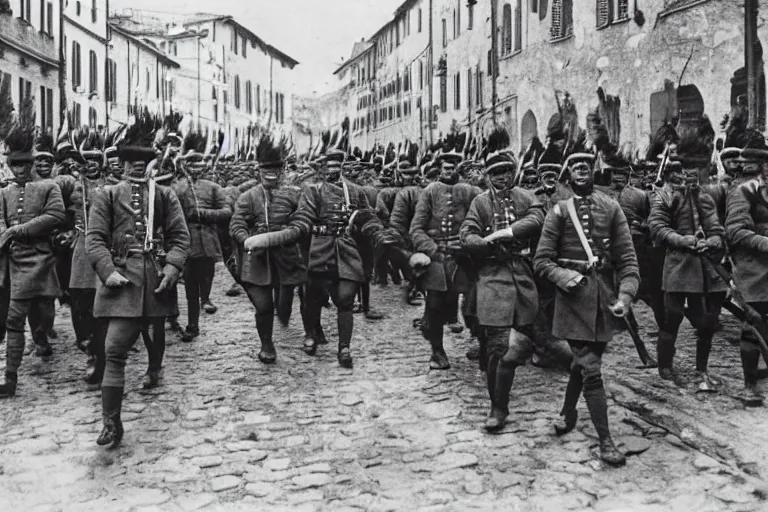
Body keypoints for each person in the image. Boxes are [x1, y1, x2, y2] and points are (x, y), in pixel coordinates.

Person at [86, 114, 190, 448]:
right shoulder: (105, 195)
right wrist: (107, 270)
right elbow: (94, 240)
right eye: (128, 162)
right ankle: (111, 423)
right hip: (121, 281)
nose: (134, 167)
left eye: (141, 162)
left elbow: (180, 238)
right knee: (114, 348)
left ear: (151, 164)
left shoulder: (164, 196)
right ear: (120, 164)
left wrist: (172, 268)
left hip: (155, 277)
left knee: (154, 332)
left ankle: (155, 369)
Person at [534, 152, 639, 467]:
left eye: (587, 166)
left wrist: (626, 297)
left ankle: (568, 411)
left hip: (604, 301)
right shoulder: (558, 212)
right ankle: (606, 441)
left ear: (594, 171)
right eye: (575, 167)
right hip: (570, 303)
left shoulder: (611, 207)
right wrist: (566, 277)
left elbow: (629, 261)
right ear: (568, 175)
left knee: (583, 364)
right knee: (592, 369)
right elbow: (541, 261)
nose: (582, 170)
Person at [244, 148, 385, 368]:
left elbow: (368, 217)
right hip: (318, 249)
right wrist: (285, 234)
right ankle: (310, 334)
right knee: (313, 298)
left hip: (346, 250)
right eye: (328, 167)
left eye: (336, 167)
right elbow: (303, 217)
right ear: (322, 168)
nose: (332, 171)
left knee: (346, 298)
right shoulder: (313, 191)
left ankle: (344, 348)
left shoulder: (356, 192)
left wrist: (377, 233)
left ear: (342, 167)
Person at [460, 129, 544, 431]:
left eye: (507, 172)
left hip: (522, 274)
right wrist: (483, 243)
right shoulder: (480, 203)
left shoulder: (526, 196)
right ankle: (498, 407)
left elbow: (537, 219)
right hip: (493, 276)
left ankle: (500, 386)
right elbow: (467, 233)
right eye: (496, 173)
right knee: (499, 345)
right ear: (488, 176)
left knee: (520, 341)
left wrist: (507, 232)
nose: (503, 178)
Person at [648, 120, 727, 392]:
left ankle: (701, 370)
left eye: (696, 170)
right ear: (677, 170)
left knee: (705, 323)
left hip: (703, 269)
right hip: (676, 266)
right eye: (686, 170)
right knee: (671, 318)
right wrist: (684, 240)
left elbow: (716, 228)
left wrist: (714, 242)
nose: (691, 175)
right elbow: (657, 227)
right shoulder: (666, 196)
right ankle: (665, 367)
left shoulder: (703, 197)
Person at [229, 134, 307, 364]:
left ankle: (294, 321)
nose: (271, 175)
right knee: (263, 305)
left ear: (282, 170)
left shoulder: (294, 193)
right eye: (266, 170)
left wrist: (282, 235)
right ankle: (266, 343)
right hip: (258, 259)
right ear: (259, 171)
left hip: (287, 256)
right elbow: (236, 224)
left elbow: (301, 223)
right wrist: (247, 240)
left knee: (287, 300)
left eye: (276, 170)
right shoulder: (248, 196)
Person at [0, 126, 66, 397]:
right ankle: (10, 377)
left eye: (25, 164)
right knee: (14, 320)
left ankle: (41, 334)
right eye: (15, 165)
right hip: (15, 262)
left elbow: (56, 215)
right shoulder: (3, 193)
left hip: (42, 258)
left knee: (45, 312)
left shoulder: (49, 187)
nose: (20, 170)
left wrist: (19, 230)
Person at [410, 139, 481, 370]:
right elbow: (416, 229)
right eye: (445, 165)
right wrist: (431, 249)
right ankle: (437, 351)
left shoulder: (471, 192)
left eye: (453, 165)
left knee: (474, 302)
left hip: (464, 257)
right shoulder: (429, 192)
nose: (449, 169)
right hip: (438, 258)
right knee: (434, 306)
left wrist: (470, 244)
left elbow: (482, 221)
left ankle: (480, 341)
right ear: (439, 168)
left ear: (459, 168)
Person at [172, 131, 232, 342]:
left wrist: (204, 214)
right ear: (185, 166)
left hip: (207, 239)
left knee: (206, 274)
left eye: (199, 164)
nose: (195, 168)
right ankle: (192, 324)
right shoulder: (177, 187)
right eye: (191, 164)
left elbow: (226, 212)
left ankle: (206, 298)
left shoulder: (213, 187)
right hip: (186, 240)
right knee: (189, 283)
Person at [725, 142, 768, 407]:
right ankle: (750, 385)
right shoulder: (743, 193)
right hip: (754, 270)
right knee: (753, 327)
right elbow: (736, 232)